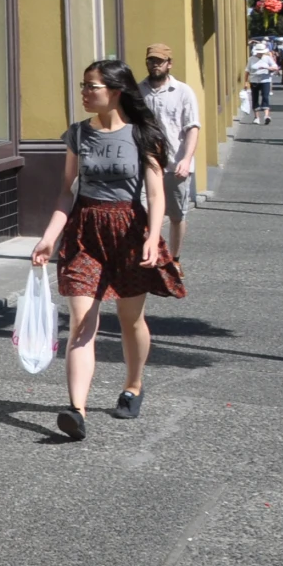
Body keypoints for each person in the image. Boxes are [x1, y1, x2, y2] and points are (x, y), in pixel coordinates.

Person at [30, 58, 185, 440]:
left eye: (91, 86)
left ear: (115, 91)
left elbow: (154, 192)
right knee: (82, 321)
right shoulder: (78, 135)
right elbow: (67, 191)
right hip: (85, 231)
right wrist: (50, 235)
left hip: (128, 231)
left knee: (131, 319)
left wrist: (152, 236)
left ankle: (133, 384)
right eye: (83, 86)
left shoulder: (143, 135)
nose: (84, 93)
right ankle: (76, 410)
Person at [141, 44, 201, 257]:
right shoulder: (139, 92)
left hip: (175, 164)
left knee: (176, 216)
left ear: (169, 64)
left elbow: (192, 127)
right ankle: (150, 255)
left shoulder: (183, 92)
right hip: (147, 163)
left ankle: (174, 258)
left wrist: (186, 159)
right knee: (145, 213)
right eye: (151, 61)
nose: (155, 65)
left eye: (159, 61)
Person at [245, 40, 279, 125]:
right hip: (254, 80)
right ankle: (256, 117)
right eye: (259, 52)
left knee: (265, 97)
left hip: (265, 80)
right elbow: (247, 71)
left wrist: (267, 68)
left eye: (262, 52)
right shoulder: (251, 59)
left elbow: (275, 67)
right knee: (255, 98)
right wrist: (245, 82)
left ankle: (266, 116)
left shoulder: (267, 58)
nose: (261, 54)